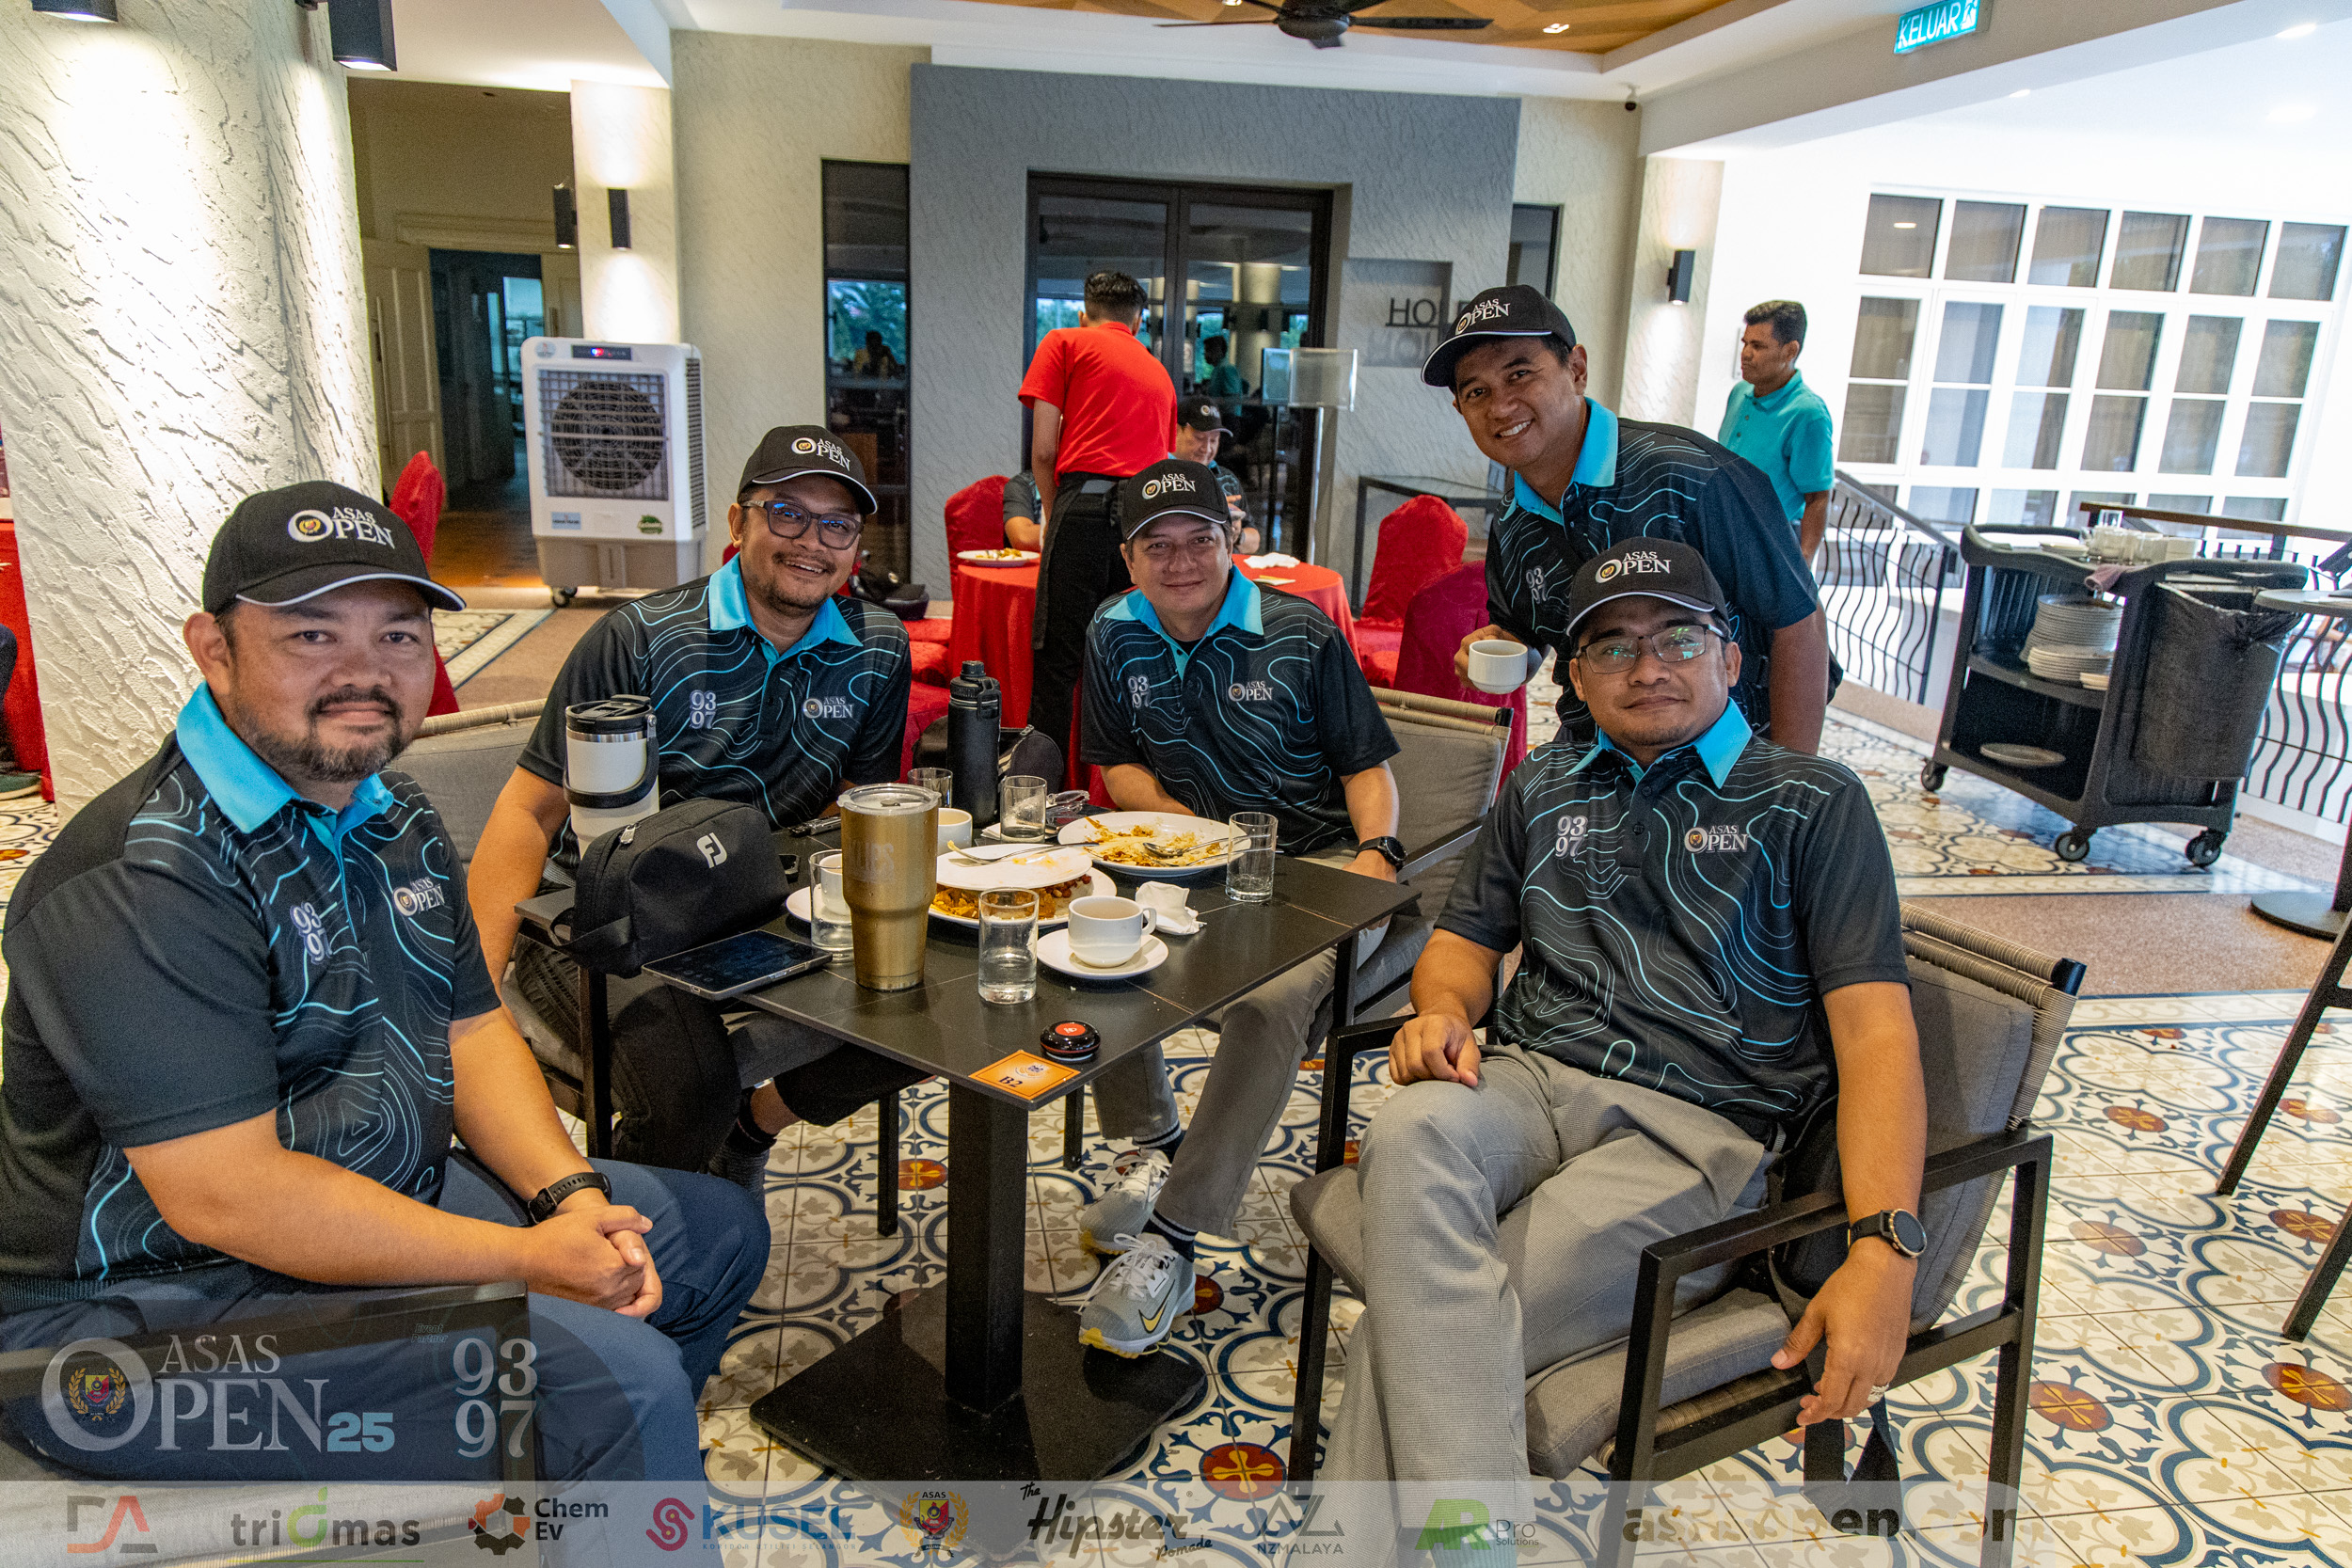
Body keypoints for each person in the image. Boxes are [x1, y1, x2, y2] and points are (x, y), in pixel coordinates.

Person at [0, 482, 767, 1484]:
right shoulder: (146, 874)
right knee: (616, 1385)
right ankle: (602, 1468)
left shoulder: (390, 810)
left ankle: (575, 1496)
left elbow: (471, 1029)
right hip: (142, 1315)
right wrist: (529, 1260)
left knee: (714, 1234)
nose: (363, 672)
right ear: (213, 648)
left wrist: (570, 1196)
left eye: (399, 636)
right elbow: (232, 1198)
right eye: (312, 635)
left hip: (371, 1199)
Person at [1325, 538, 1923, 1554]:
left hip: (1692, 1134)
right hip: (1523, 1081)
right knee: (1409, 1128)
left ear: (1729, 655)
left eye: (1675, 638)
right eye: (1611, 647)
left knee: (1415, 1325)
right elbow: (1465, 940)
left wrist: (1884, 1249)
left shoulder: (1811, 803)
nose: (1646, 667)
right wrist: (1443, 1009)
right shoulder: (1544, 783)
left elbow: (1876, 1034)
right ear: (1576, 674)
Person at [470, 427, 925, 1189]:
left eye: (837, 525)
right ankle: (623, 1242)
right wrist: (471, 1001)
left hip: (758, 909)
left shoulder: (875, 646)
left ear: (856, 546)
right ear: (739, 522)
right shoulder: (640, 639)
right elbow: (529, 811)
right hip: (606, 919)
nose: (812, 542)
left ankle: (752, 1127)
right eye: (788, 513)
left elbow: (859, 807)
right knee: (689, 1089)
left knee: (934, 1008)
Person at [1073, 459, 1404, 1355]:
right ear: (1129, 557)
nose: (1181, 562)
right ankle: (1156, 1143)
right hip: (1191, 858)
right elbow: (1117, 762)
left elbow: (1367, 766)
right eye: (1157, 545)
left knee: (1269, 998)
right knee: (1096, 939)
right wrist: (1188, 836)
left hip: (1315, 861)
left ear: (1234, 542)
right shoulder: (1112, 630)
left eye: (1201, 540)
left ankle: (1174, 1237)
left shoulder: (1299, 631)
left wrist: (1376, 855)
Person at [1429, 284, 1831, 756]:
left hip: (1726, 763)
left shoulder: (1690, 477)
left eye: (1520, 374)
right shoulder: (1513, 521)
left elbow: (1800, 621)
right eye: (1477, 392)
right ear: (1460, 409)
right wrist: (1501, 650)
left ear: (1577, 370)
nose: (1500, 406)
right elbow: (1529, 633)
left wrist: (1789, 781)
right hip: (1598, 762)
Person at [1019, 269, 1179, 766]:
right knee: (1133, 658)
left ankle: (1042, 797)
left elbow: (1043, 451)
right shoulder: (1159, 373)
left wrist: (1053, 514)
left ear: (1083, 314)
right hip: (1143, 520)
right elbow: (1163, 466)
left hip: (1083, 507)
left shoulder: (1064, 342)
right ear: (1138, 322)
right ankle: (1136, 790)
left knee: (1057, 664)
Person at [1720, 300, 1836, 562]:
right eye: (1745, 343)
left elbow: (1818, 497)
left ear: (1790, 351)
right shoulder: (1740, 392)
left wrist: (1803, 563)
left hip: (1769, 545)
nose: (1746, 354)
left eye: (1758, 346)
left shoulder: (1809, 414)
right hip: (1725, 533)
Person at [1170, 398, 1261, 554]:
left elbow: (1254, 542)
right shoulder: (1157, 478)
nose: (1207, 448)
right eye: (1199, 438)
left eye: (1213, 439)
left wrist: (1237, 535)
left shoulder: (1226, 479)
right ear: (1176, 431)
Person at [1196, 333, 1246, 401]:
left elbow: (1232, 399)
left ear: (1218, 351)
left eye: (1208, 350)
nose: (1205, 354)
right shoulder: (1217, 369)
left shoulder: (1227, 369)